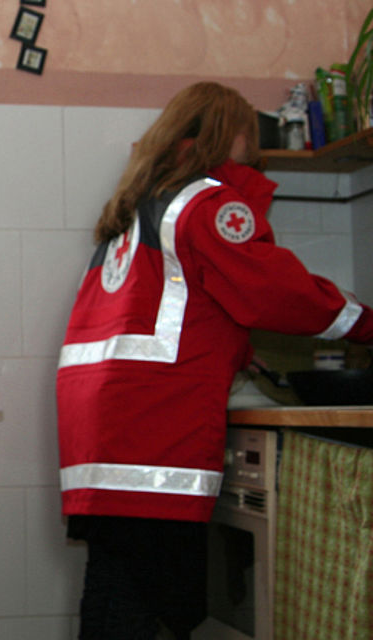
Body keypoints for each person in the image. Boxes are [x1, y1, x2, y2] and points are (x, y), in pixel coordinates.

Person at [55, 81, 373, 640]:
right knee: (160, 603)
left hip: (104, 431)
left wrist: (237, 352)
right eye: (251, 131)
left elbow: (179, 310)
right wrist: (366, 324)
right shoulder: (208, 201)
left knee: (113, 589)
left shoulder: (140, 206)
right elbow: (279, 292)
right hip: (154, 433)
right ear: (232, 133)